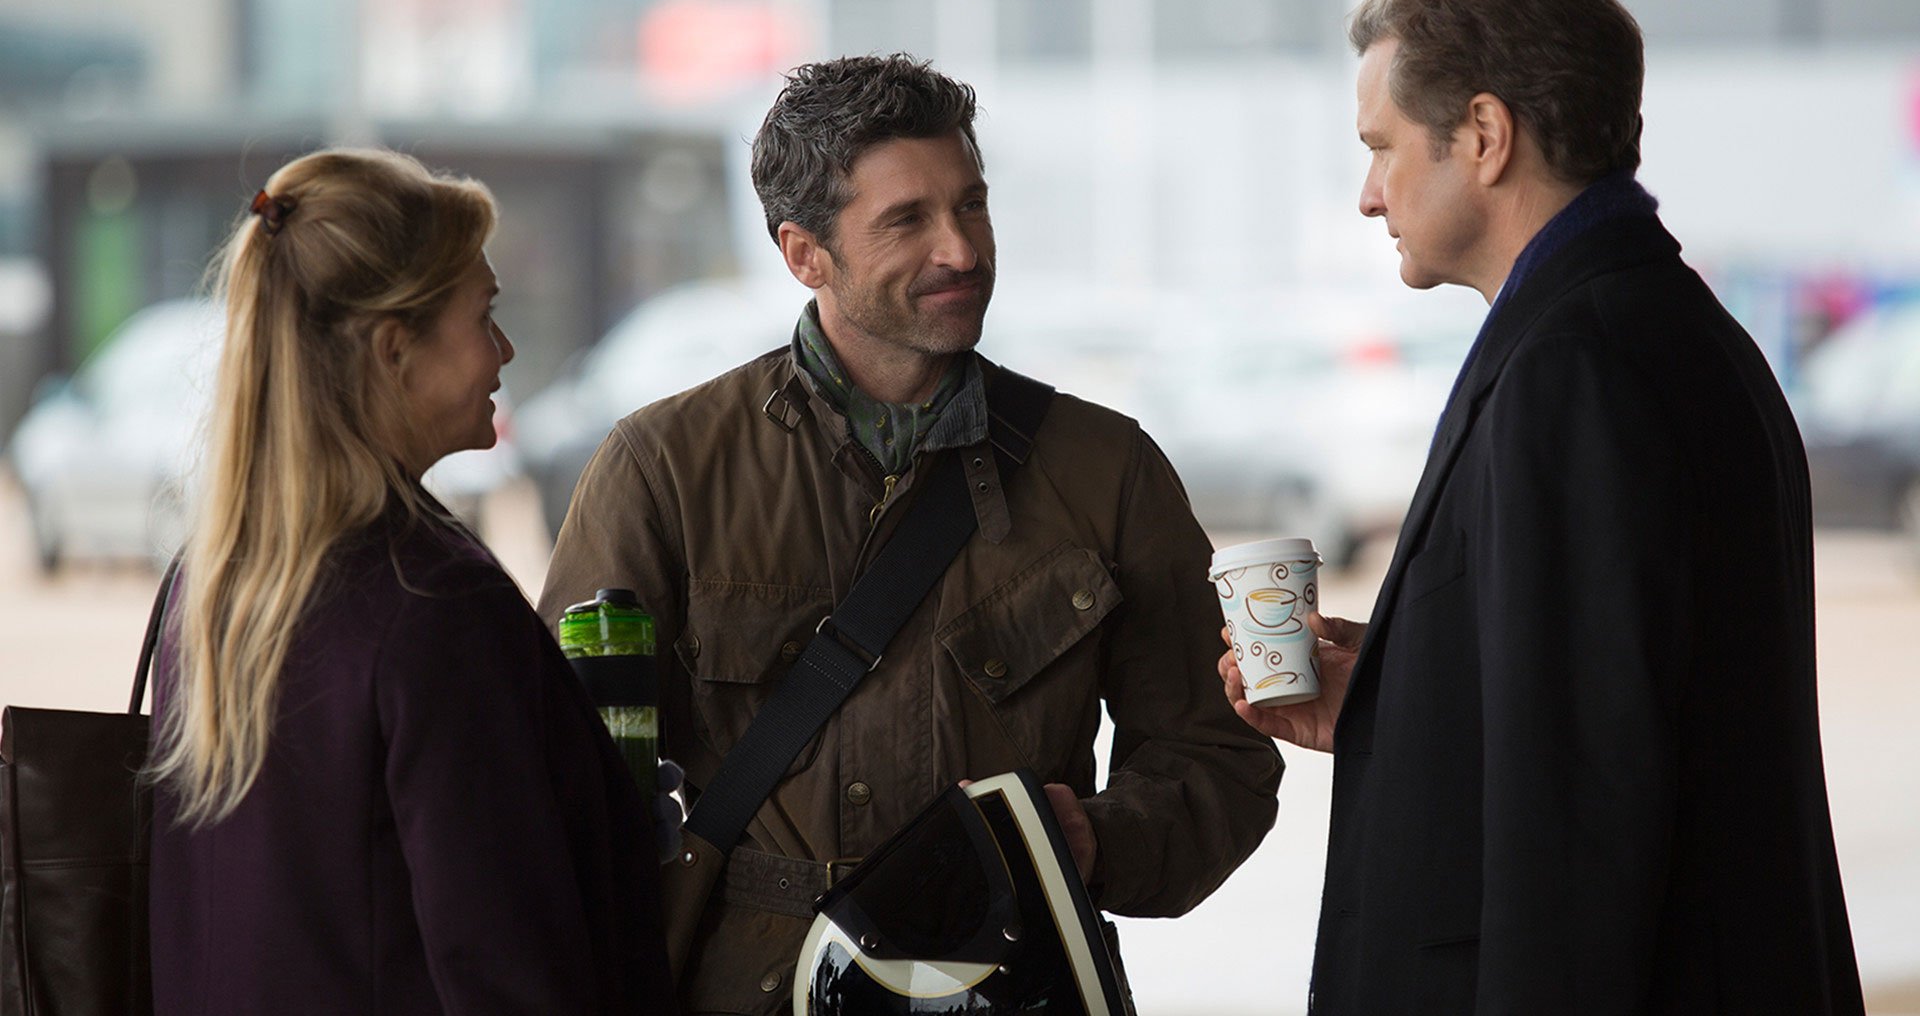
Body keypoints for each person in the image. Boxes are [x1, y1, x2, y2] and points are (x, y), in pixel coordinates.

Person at [539, 54, 1282, 1013]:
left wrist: (1096, 840)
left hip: (1016, 983)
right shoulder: (664, 468)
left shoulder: (1109, 468)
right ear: (804, 253)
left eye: (972, 205)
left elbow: (1218, 755)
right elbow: (555, 777)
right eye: (907, 220)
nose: (962, 250)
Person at [1219, 0, 1865, 1013]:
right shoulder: (1649, 326)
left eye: (1381, 148)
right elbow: (1597, 706)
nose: (1369, 195)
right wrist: (1388, 703)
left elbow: (1582, 816)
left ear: (1484, 135)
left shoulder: (1577, 368)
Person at [147, 148, 676, 1014]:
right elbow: (511, 970)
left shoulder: (211, 584)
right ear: (395, 349)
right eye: (484, 315)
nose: (504, 349)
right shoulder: (434, 605)